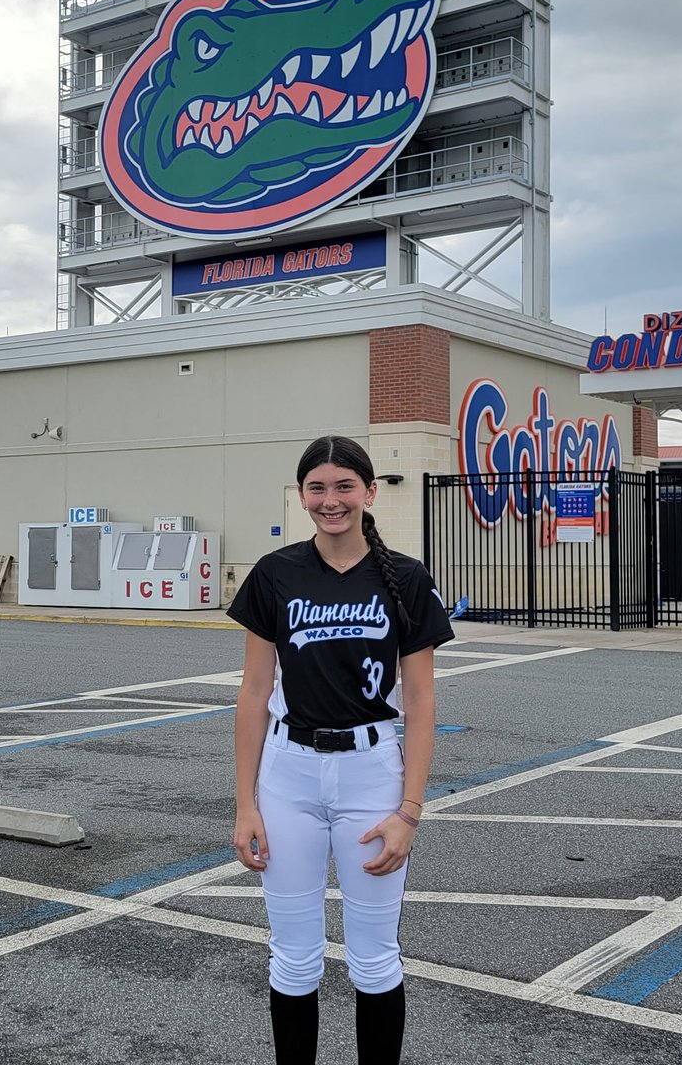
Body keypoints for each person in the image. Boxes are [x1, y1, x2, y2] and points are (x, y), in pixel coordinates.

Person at [229, 434, 455, 1064]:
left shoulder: (406, 578)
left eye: (344, 486)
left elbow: (421, 703)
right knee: (293, 957)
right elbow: (254, 693)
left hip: (371, 774)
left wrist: (410, 811)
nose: (331, 500)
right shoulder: (275, 573)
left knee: (375, 958)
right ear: (302, 496)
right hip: (289, 775)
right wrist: (245, 804)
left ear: (370, 492)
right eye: (317, 488)